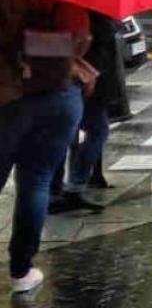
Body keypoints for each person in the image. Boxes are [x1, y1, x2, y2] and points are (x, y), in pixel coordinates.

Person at [0, 0, 91, 295]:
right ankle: (21, 270)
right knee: (36, 182)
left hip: (8, 97)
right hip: (58, 95)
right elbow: (80, 41)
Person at [50, 12, 124, 213]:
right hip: (80, 80)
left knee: (86, 133)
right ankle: (61, 190)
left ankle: (66, 188)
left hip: (85, 80)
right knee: (84, 133)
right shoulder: (81, 12)